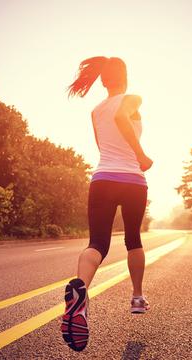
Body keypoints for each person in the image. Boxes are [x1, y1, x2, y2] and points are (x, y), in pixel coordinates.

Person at [61, 56, 153, 352]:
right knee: (133, 238)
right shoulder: (133, 98)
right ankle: (137, 297)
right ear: (125, 76)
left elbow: (102, 146)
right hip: (132, 179)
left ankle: (80, 291)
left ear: (103, 81)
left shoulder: (95, 110)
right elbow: (121, 118)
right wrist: (140, 155)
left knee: (97, 243)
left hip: (102, 178)